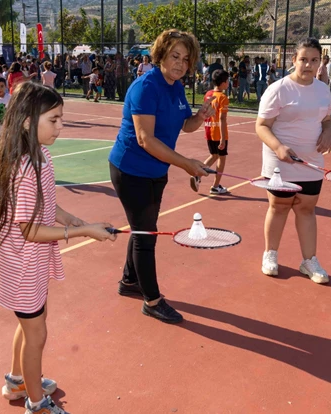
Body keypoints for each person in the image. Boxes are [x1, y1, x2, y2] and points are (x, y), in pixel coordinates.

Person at [0, 82, 116, 414]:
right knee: (36, 334)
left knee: (31, 324)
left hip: (29, 262)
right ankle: (37, 403)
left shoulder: (40, 156)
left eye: (61, 119)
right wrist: (82, 231)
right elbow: (28, 230)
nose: (61, 126)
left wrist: (76, 219)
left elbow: (48, 205)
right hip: (22, 263)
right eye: (53, 120)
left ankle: (17, 382)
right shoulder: (25, 167)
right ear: (28, 122)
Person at [108, 29, 214, 324]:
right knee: (146, 235)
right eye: (174, 56)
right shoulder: (146, 87)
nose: (180, 63)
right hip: (130, 169)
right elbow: (146, 139)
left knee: (144, 227)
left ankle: (129, 280)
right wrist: (187, 164)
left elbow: (184, 125)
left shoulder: (176, 86)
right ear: (161, 56)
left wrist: (200, 117)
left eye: (186, 58)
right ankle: (152, 300)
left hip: (157, 170)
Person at [256, 37, 331, 282]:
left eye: (314, 60)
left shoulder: (323, 89)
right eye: (303, 60)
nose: (308, 65)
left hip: (311, 162)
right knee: (279, 207)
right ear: (294, 60)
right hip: (281, 161)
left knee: (306, 209)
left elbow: (326, 119)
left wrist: (329, 131)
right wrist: (278, 147)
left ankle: (308, 261)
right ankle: (270, 254)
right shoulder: (278, 89)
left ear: (320, 62)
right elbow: (262, 126)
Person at [190, 69, 231, 195]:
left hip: (208, 130)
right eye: (228, 81)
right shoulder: (223, 98)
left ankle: (198, 174)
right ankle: (215, 186)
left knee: (214, 155)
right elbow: (222, 118)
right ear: (223, 83)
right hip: (218, 133)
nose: (228, 83)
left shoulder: (208, 94)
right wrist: (223, 139)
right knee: (221, 158)